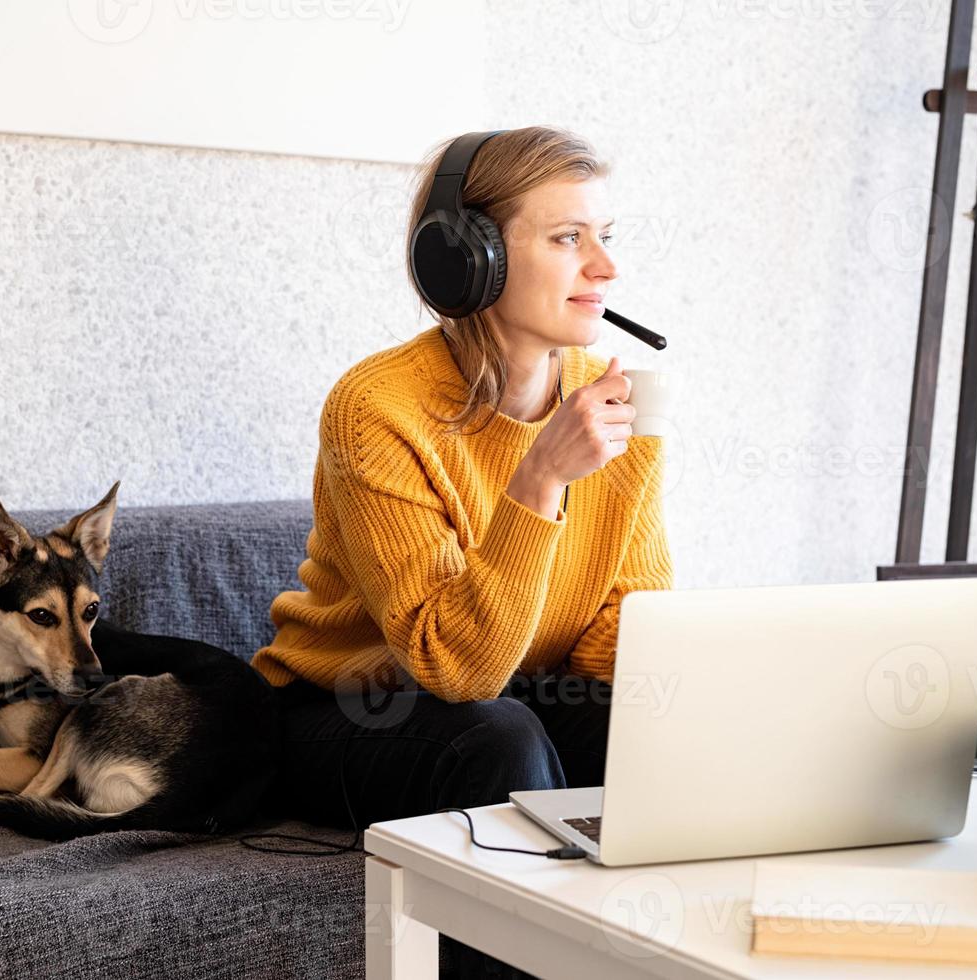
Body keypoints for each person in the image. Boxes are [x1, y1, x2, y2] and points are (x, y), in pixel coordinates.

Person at [251, 126, 675, 979]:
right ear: (466, 258)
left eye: (606, 238)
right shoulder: (376, 408)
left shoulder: (614, 407)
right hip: (342, 714)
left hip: (511, 694)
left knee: (657, 733)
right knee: (497, 736)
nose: (605, 268)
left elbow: (601, 645)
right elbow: (454, 667)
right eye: (567, 239)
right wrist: (540, 480)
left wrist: (703, 687)